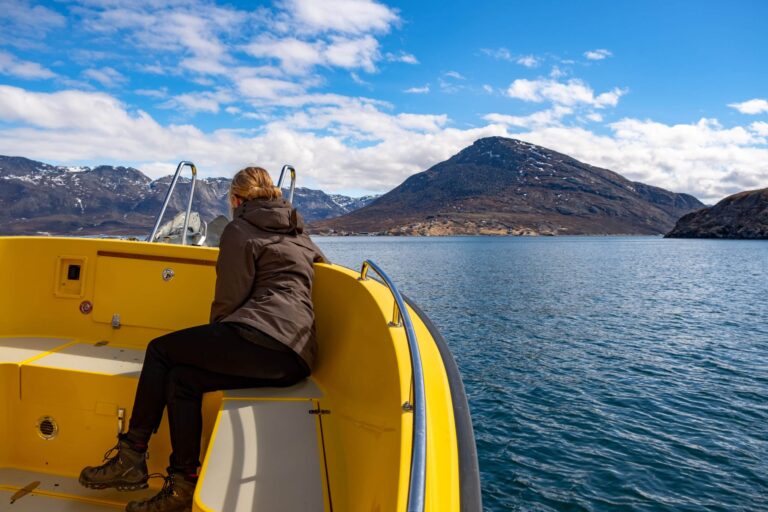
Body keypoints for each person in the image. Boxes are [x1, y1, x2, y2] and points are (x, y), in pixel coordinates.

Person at [79, 167, 327, 512]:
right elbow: (323, 268)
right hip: (295, 359)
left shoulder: (240, 228)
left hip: (261, 336)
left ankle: (132, 455)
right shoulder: (299, 232)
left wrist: (216, 336)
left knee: (161, 351)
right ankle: (182, 486)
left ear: (236, 199)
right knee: (183, 381)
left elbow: (230, 296)